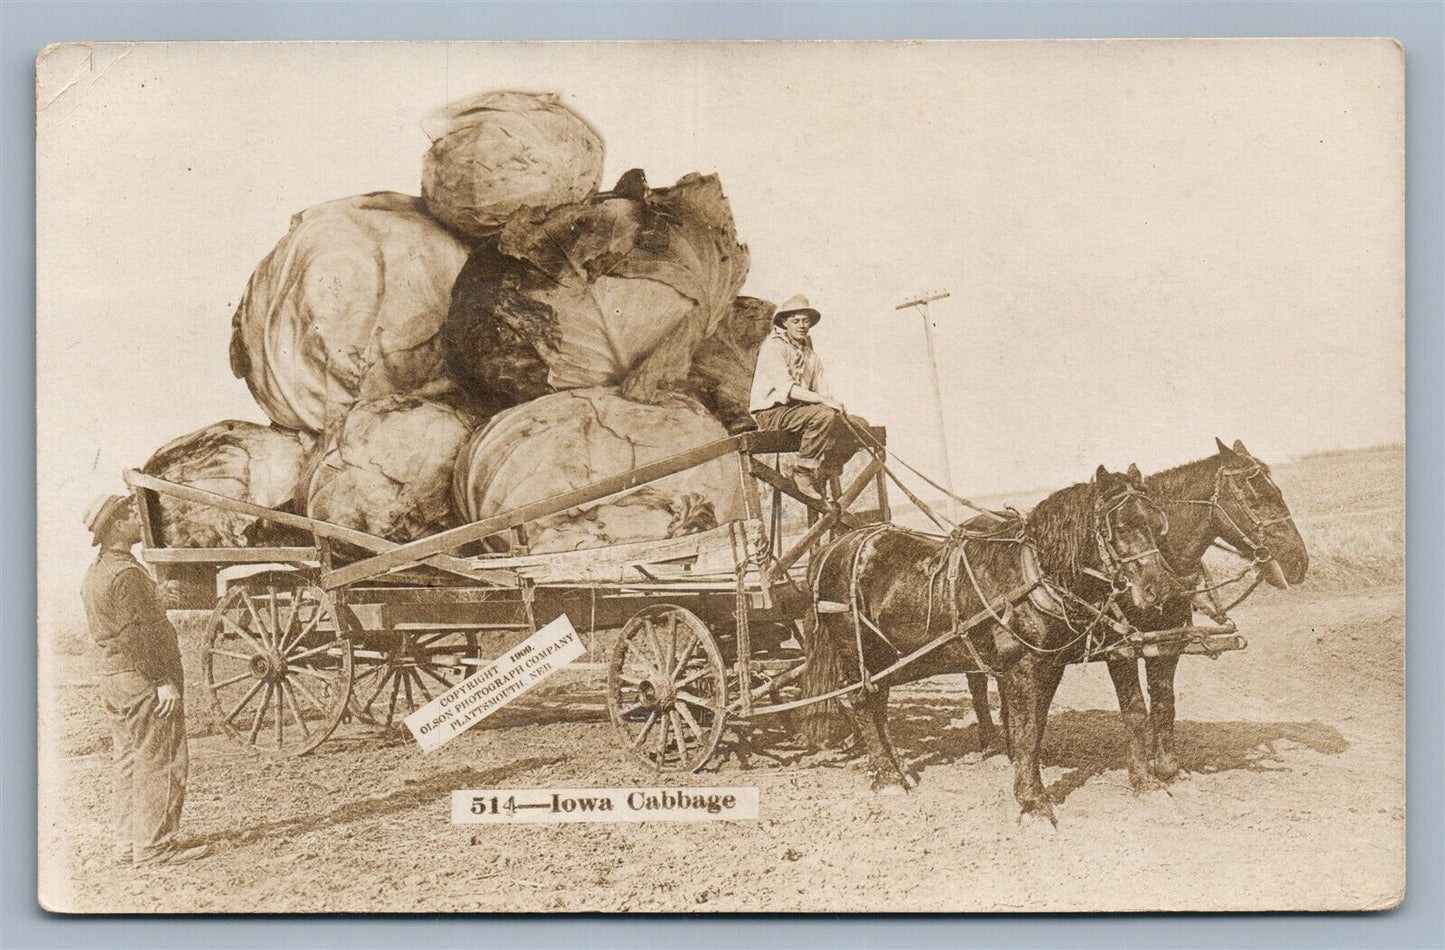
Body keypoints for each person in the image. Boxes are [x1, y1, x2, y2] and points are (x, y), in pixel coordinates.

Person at [80, 493, 210, 867]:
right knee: (161, 759)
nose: (140, 519)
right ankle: (156, 848)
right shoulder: (127, 575)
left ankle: (129, 845)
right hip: (142, 681)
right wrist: (162, 680)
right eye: (131, 515)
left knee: (128, 762)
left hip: (114, 679)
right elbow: (137, 634)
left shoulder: (98, 573)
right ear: (116, 526)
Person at [749, 294, 868, 500]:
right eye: (796, 321)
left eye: (806, 321)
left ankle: (826, 469)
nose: (802, 325)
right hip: (772, 413)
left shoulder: (811, 356)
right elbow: (788, 388)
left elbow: (823, 392)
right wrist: (824, 402)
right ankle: (802, 472)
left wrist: (833, 404)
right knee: (823, 415)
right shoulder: (773, 348)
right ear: (785, 323)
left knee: (860, 425)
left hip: (805, 414)